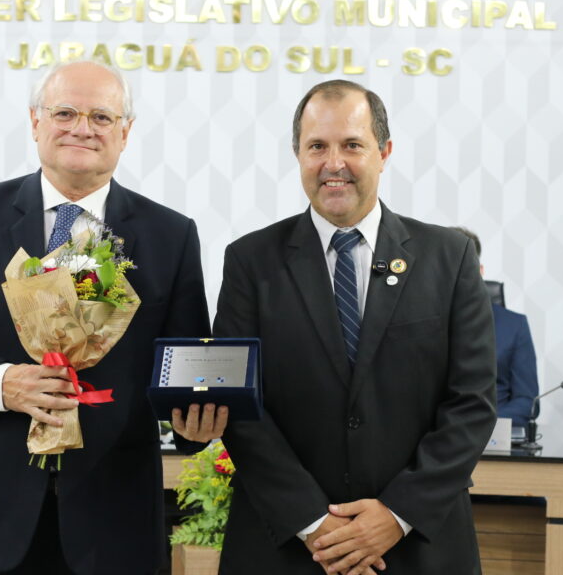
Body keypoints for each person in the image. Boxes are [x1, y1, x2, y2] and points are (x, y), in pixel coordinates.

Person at [0, 60, 223, 575]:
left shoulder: (170, 235)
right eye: (64, 112)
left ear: (126, 133)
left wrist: (196, 422)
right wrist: (1, 384)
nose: (82, 128)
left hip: (115, 521)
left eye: (102, 118)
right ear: (35, 122)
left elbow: (182, 368)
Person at [213, 80, 497, 575]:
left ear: (384, 152)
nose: (333, 163)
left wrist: (395, 515)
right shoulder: (250, 261)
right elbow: (240, 404)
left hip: (417, 547)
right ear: (297, 154)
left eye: (352, 145)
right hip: (287, 547)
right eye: (317, 146)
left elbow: (471, 403)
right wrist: (315, 526)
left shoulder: (449, 258)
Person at [451, 226, 538, 427]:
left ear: (480, 272)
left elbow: (526, 401)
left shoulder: (514, 326)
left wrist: (476, 427)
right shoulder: (416, 321)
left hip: (492, 437)